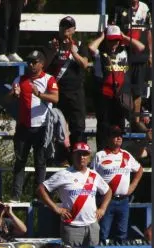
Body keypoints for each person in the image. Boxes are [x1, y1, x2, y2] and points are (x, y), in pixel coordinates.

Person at [38, 142, 113, 247]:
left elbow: (108, 191)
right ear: (73, 156)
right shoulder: (64, 174)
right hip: (72, 226)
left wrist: (103, 209)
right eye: (78, 154)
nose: (82, 157)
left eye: (85, 154)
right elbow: (41, 189)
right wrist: (56, 209)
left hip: (92, 225)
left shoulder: (94, 175)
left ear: (89, 157)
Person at [7, 51, 58, 199]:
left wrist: (39, 94)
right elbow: (7, 100)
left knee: (40, 163)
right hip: (23, 126)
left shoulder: (49, 79)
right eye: (29, 61)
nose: (31, 65)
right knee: (20, 161)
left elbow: (55, 98)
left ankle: (39, 196)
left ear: (42, 63)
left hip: (41, 127)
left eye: (34, 62)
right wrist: (13, 94)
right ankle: (16, 196)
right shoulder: (19, 79)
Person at [89, 26, 145, 148]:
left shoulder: (125, 52)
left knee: (119, 126)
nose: (114, 43)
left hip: (121, 96)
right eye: (111, 40)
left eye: (116, 40)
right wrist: (102, 37)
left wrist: (124, 37)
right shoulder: (101, 53)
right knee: (104, 126)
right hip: (104, 96)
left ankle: (117, 152)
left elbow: (141, 47)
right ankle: (102, 152)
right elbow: (91, 48)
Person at [44, 16, 89, 149]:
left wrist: (74, 53)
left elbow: (85, 64)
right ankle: (59, 158)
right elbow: (43, 66)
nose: (66, 30)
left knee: (78, 126)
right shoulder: (52, 43)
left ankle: (77, 153)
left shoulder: (80, 44)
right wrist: (53, 51)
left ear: (74, 29)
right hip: (57, 92)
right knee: (58, 125)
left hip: (76, 92)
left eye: (69, 27)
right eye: (63, 26)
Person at [93, 126, 144, 243]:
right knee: (103, 232)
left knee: (122, 233)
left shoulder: (126, 155)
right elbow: (93, 177)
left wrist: (132, 187)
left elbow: (139, 169)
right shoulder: (99, 155)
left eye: (120, 135)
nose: (118, 138)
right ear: (108, 138)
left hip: (124, 201)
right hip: (106, 201)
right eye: (115, 135)